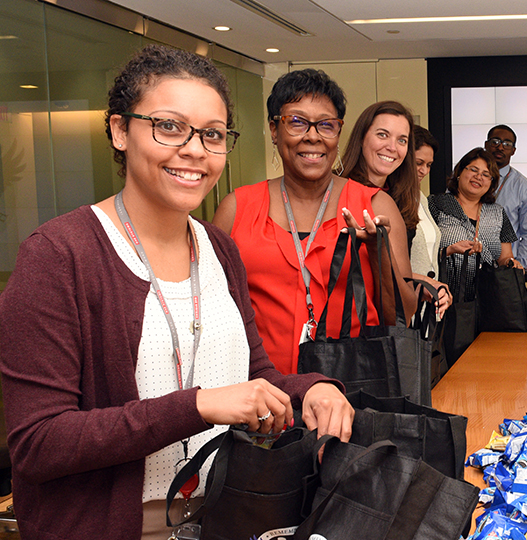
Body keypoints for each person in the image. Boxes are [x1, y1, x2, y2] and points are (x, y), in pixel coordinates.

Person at [0, 45, 353, 540]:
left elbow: (253, 373)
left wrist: (310, 387)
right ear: (121, 131)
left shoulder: (219, 249)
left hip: (227, 520)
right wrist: (198, 406)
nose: (194, 150)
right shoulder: (60, 256)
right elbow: (39, 443)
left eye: (212, 134)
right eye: (169, 126)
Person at [213, 72, 416, 376]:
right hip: (259, 394)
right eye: (297, 122)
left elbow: (403, 314)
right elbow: (213, 312)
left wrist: (378, 253)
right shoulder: (236, 208)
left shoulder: (374, 207)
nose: (313, 136)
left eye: (326, 125)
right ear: (274, 129)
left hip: (352, 392)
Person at [341, 104, 450, 317]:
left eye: (402, 140)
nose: (392, 147)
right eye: (383, 135)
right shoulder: (338, 191)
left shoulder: (401, 197)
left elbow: (400, 282)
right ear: (361, 137)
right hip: (345, 321)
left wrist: (422, 284)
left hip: (392, 320)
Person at [429, 147, 520, 300]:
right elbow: (420, 255)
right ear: (459, 173)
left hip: (489, 302)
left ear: (491, 184)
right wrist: (449, 251)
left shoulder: (498, 212)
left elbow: (505, 258)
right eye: (473, 170)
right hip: (443, 298)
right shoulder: (436, 204)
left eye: (486, 175)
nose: (479, 177)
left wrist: (511, 263)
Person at [483, 124, 527, 268]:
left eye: (507, 144)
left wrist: (518, 268)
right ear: (486, 145)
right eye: (495, 142)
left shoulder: (524, 188)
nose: (500, 147)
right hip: (465, 267)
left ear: (513, 150)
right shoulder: (467, 179)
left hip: (502, 271)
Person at [410, 125, 443, 281]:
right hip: (405, 295)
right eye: (419, 163)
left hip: (428, 297)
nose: (424, 170)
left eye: (428, 165)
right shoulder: (388, 198)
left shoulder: (421, 197)